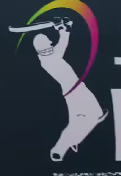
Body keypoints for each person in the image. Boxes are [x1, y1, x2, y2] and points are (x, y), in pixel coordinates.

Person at [33, 18, 108, 161]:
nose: (50, 45)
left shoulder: (49, 58)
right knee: (94, 116)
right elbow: (61, 46)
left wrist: (64, 29)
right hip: (75, 90)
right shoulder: (50, 59)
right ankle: (62, 147)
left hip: (73, 90)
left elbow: (61, 46)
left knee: (84, 119)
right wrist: (63, 29)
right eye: (47, 44)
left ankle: (63, 147)